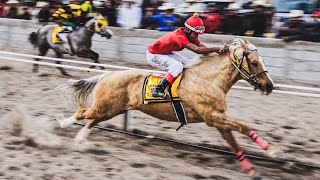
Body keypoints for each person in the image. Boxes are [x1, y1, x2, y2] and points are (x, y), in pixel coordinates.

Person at [146, 13, 228, 98]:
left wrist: (217, 52)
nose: (196, 36)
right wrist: (216, 48)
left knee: (189, 64)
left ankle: (181, 86)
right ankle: (158, 89)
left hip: (164, 53)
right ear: (188, 30)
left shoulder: (190, 35)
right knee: (177, 66)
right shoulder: (179, 36)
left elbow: (202, 48)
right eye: (195, 34)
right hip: (153, 55)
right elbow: (197, 50)